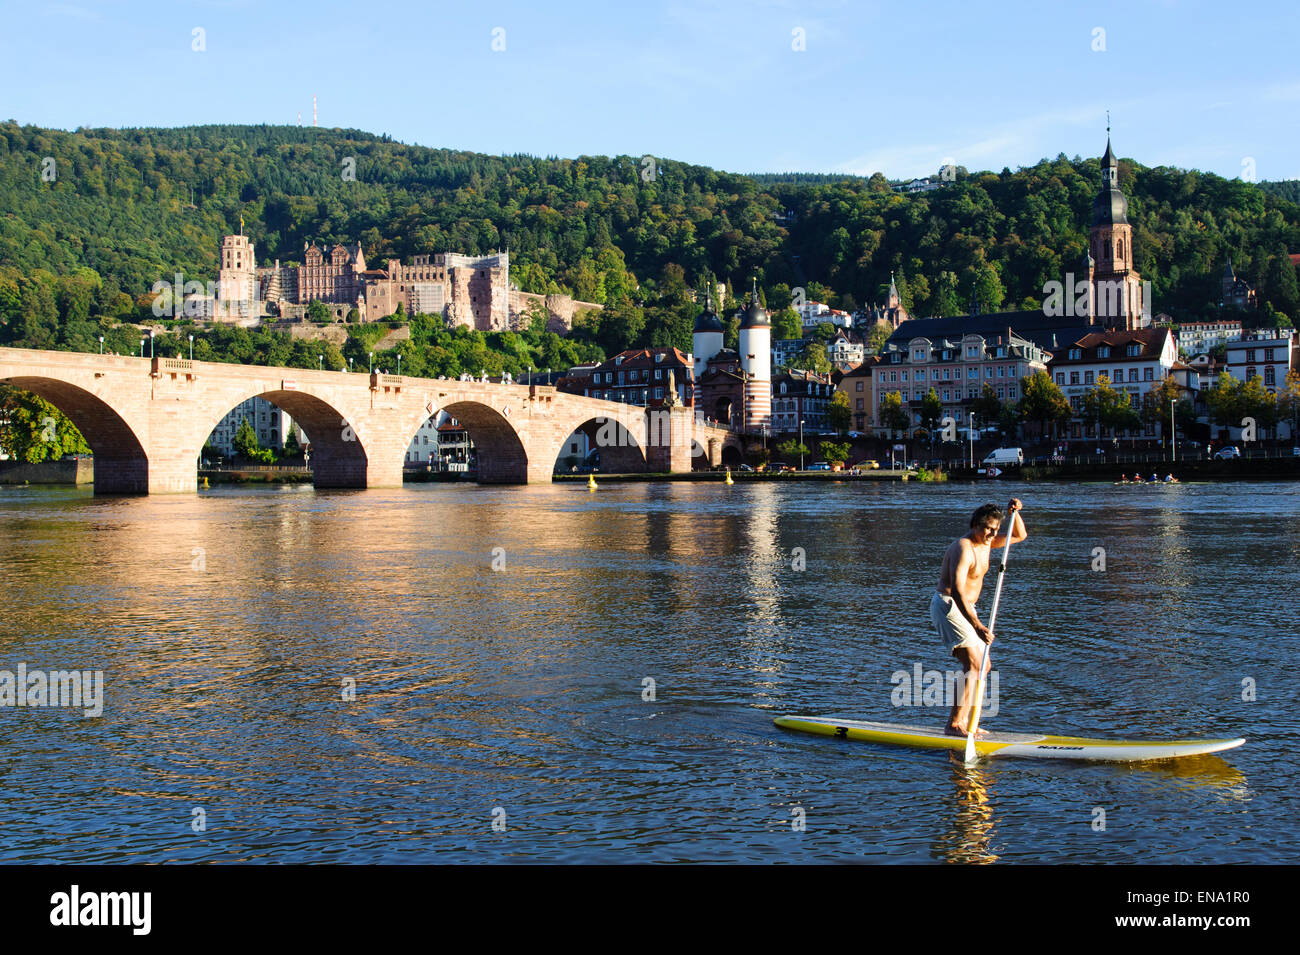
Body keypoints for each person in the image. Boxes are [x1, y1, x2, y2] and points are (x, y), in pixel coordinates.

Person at [931, 500, 1027, 738]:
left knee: (984, 666)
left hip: (968, 608)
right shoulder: (963, 547)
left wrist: (1015, 513)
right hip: (949, 605)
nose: (992, 535)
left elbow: (1020, 535)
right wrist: (977, 625)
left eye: (995, 530)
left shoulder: (988, 542)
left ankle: (968, 723)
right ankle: (953, 724)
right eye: (988, 529)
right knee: (974, 664)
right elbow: (958, 590)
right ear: (975, 524)